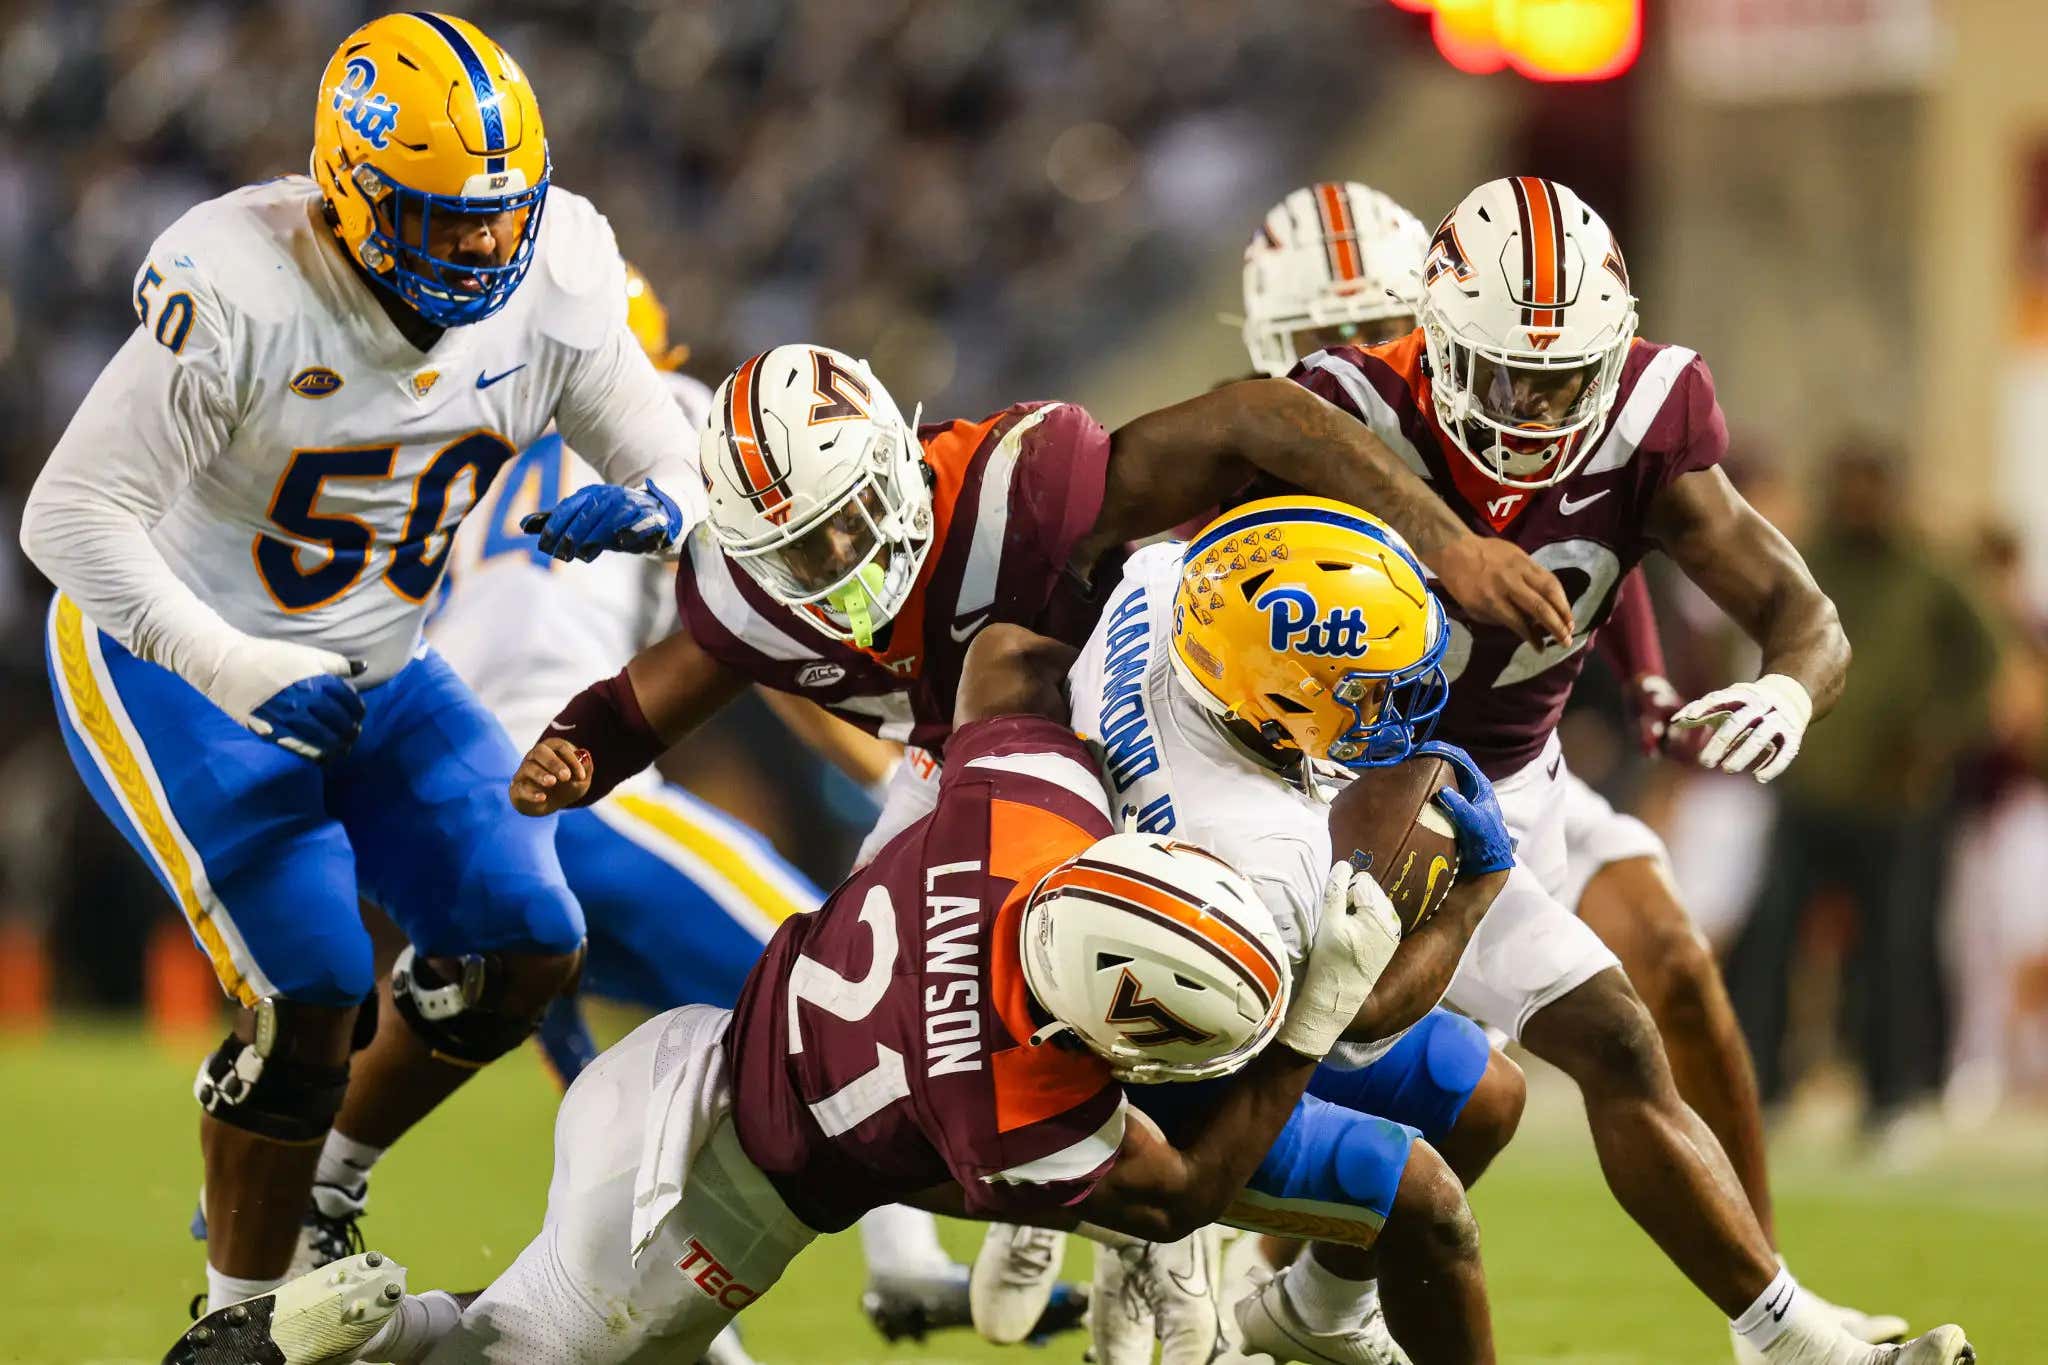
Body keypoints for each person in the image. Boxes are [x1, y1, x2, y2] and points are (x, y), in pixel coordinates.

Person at [163, 626, 1422, 1365]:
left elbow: (1003, 659)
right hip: (692, 1210)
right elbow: (1184, 1197)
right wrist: (1308, 1024)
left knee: (534, 1320)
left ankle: (382, 1319)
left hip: (683, 1063)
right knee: (520, 1351)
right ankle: (340, 1340)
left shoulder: (1018, 819)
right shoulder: (1011, 1097)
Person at [21, 12, 704, 1317]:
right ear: (354, 191)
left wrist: (659, 509)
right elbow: (67, 520)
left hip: (378, 659)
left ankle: (325, 1187)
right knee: (311, 986)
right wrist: (229, 665)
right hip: (168, 653)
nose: (483, 246)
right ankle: (233, 1321)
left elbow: (663, 455)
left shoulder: (557, 269)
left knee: (529, 940)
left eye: (498, 215)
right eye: (444, 219)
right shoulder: (242, 284)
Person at [1276, 176, 1971, 1365]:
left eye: (1561, 377)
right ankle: (1292, 1308)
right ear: (1431, 339)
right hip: (1354, 803)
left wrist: (1783, 685)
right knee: (1473, 1081)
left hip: (1516, 784)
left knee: (1660, 993)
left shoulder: (1647, 410)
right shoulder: (1339, 407)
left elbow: (1782, 600)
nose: (1535, 405)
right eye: (1504, 375)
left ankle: (1775, 1320)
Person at [426, 270, 1041, 1349]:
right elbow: (765, 632)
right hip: (572, 790)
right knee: (842, 986)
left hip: (446, 805)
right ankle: (902, 1262)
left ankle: (607, 1309)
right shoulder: (672, 428)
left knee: (599, 1056)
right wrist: (888, 756)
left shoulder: (468, 462)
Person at [1031, 497, 1525, 1364]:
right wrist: (1476, 892)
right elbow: (1347, 1025)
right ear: (1285, 686)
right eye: (1366, 684)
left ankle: (1319, 1311)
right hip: (1163, 1057)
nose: (1389, 703)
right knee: (1427, 1201)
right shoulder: (1268, 852)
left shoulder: (1158, 587)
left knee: (1482, 1088)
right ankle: (1154, 1233)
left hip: (1128, 935)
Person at [1726, 442, 2000, 1141]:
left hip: (1898, 797)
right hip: (1810, 786)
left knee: (1895, 949)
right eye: (1847, 487)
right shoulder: (1808, 560)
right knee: (1771, 941)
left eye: (1870, 488)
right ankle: (1762, 1086)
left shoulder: (1930, 572)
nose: (1858, 503)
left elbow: (1987, 659)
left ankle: (1894, 1096)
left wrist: (1939, 735)